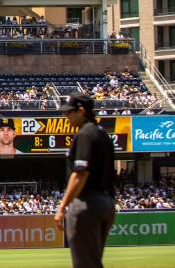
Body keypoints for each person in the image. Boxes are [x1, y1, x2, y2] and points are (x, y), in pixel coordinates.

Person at [54, 92, 116, 268]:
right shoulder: (102, 133)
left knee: (85, 264)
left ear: (81, 110)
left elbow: (80, 174)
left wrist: (62, 207)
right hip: (106, 202)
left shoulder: (85, 134)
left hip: (87, 204)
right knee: (93, 262)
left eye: (69, 112)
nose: (66, 116)